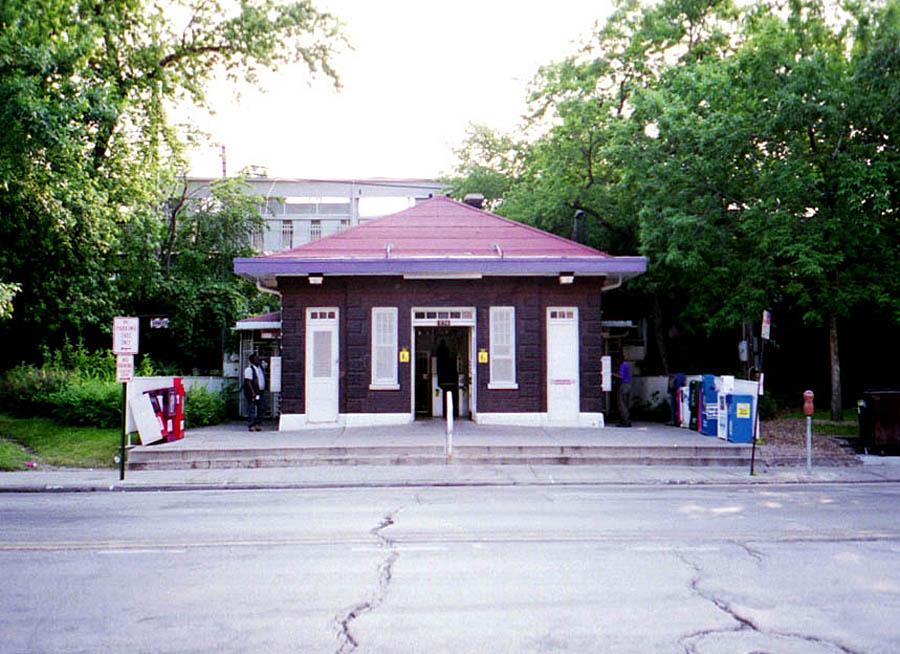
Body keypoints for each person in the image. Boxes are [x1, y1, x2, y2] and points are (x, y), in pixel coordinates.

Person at [435, 338, 458, 418]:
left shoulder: (439, 354)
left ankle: (445, 412)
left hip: (441, 378)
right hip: (447, 380)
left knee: (445, 397)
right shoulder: (448, 359)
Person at [243, 353, 266, 431]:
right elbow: (248, 381)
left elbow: (267, 361)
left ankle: (257, 423)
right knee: (251, 408)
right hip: (252, 392)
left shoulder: (261, 368)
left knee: (262, 407)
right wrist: (253, 392)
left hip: (260, 392)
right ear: (252, 361)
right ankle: (251, 425)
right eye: (257, 359)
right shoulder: (249, 369)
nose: (259, 360)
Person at [615, 359, 632, 427]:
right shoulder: (627, 365)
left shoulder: (622, 365)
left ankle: (625, 422)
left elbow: (621, 376)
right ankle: (628, 420)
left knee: (622, 404)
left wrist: (612, 374)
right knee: (626, 404)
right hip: (628, 385)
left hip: (623, 385)